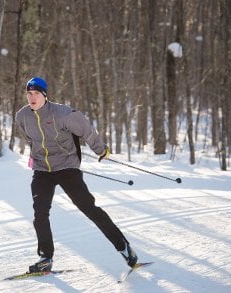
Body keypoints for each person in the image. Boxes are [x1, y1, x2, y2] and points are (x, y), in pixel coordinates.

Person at [15, 77, 138, 273]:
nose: (32, 97)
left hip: (66, 167)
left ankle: (123, 247)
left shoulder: (63, 114)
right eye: (29, 93)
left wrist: (101, 150)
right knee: (40, 214)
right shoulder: (22, 116)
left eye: (36, 93)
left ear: (45, 95)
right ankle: (45, 257)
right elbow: (30, 140)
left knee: (89, 208)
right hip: (42, 170)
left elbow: (86, 131)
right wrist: (35, 157)